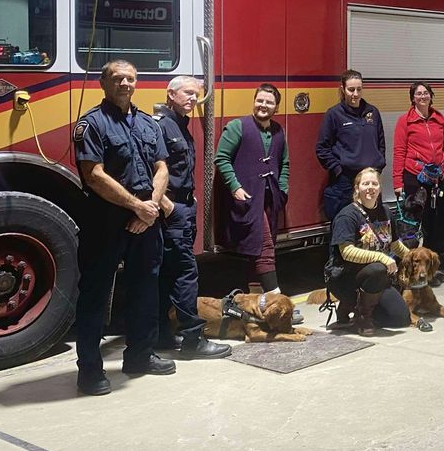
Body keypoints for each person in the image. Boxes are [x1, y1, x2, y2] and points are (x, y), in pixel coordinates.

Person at [72, 60, 172, 396]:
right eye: (117, 79)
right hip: (106, 220)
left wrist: (151, 208)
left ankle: (140, 357)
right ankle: (89, 370)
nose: (125, 84)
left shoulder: (147, 123)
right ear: (103, 83)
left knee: (146, 288)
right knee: (95, 294)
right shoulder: (92, 124)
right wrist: (136, 207)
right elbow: (94, 175)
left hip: (146, 219)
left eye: (130, 78)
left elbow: (161, 168)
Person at [153, 76, 230, 359]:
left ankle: (162, 334)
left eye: (196, 95)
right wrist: (167, 205)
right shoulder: (162, 126)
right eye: (187, 93)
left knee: (167, 274)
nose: (193, 99)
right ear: (170, 94)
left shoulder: (180, 125)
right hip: (173, 211)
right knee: (185, 274)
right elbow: (151, 170)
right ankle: (192, 340)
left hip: (182, 207)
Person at [215, 84, 291, 295]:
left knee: (255, 250)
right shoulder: (237, 126)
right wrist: (235, 187)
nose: (263, 105)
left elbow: (285, 163)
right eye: (260, 100)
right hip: (247, 199)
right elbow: (221, 159)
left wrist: (282, 189)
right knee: (264, 247)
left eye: (269, 102)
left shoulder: (278, 131)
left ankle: (257, 302)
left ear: (276, 107)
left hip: (270, 199)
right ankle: (277, 299)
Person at [324, 168, 412, 336]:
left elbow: (394, 245)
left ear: (379, 188)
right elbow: (347, 252)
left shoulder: (386, 212)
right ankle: (362, 316)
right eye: (365, 184)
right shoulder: (347, 215)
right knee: (378, 267)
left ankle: (359, 306)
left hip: (375, 279)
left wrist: (414, 258)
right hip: (345, 277)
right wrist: (381, 257)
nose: (370, 187)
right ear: (357, 188)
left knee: (400, 318)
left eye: (374, 183)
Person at [392, 81, 444, 252]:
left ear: (431, 96)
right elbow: (399, 151)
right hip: (415, 176)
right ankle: (415, 257)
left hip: (438, 176)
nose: (423, 96)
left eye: (425, 93)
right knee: (419, 219)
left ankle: (437, 254)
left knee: (439, 218)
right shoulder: (405, 121)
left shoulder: (440, 119)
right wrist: (397, 183)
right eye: (418, 94)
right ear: (413, 98)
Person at [317, 70, 386, 220]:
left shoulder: (372, 112)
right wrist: (338, 170)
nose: (355, 94)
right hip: (344, 184)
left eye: (359, 89)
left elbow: (381, 143)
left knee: (372, 231)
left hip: (370, 181)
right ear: (343, 89)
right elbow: (322, 148)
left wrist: (378, 167)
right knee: (344, 228)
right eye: (351, 89)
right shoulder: (334, 114)